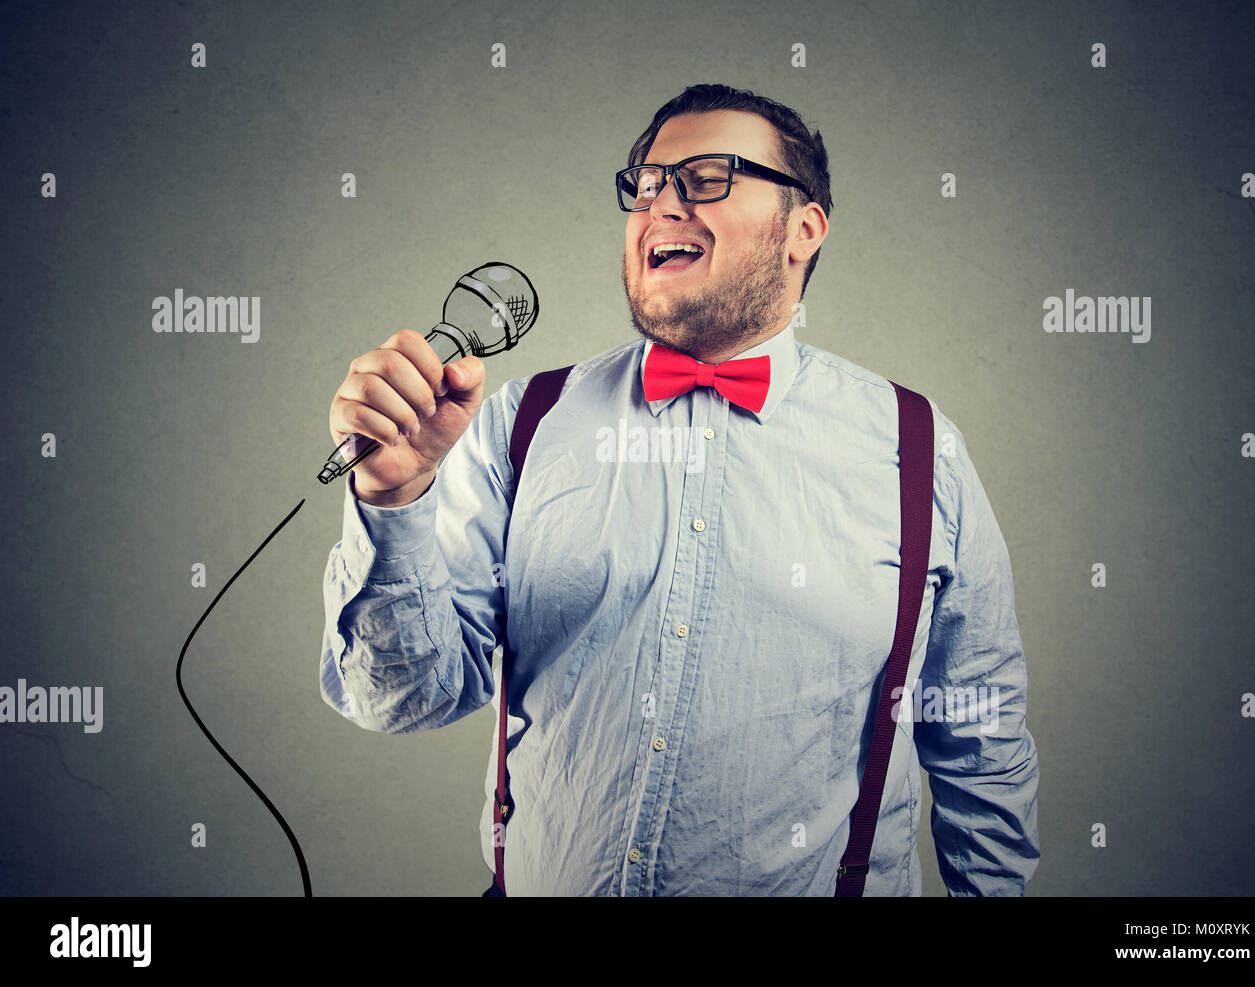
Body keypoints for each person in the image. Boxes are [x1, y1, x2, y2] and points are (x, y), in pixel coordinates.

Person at [320, 83, 1040, 896]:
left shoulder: (919, 451)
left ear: (802, 229)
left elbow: (980, 739)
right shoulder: (524, 423)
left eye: (705, 177)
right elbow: (400, 696)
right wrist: (395, 500)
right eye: (647, 182)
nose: (661, 201)